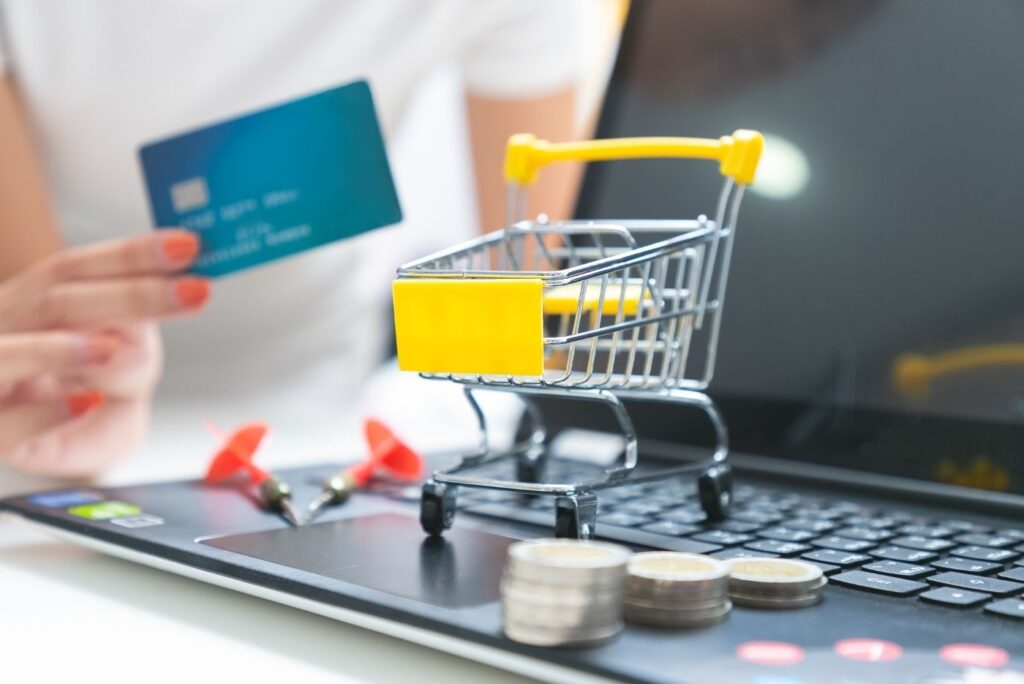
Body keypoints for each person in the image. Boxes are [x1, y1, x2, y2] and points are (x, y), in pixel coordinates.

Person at [0, 0, 587, 478]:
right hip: (38, 416)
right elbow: (49, 337)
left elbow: (532, 294)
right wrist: (68, 391)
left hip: (312, 422)